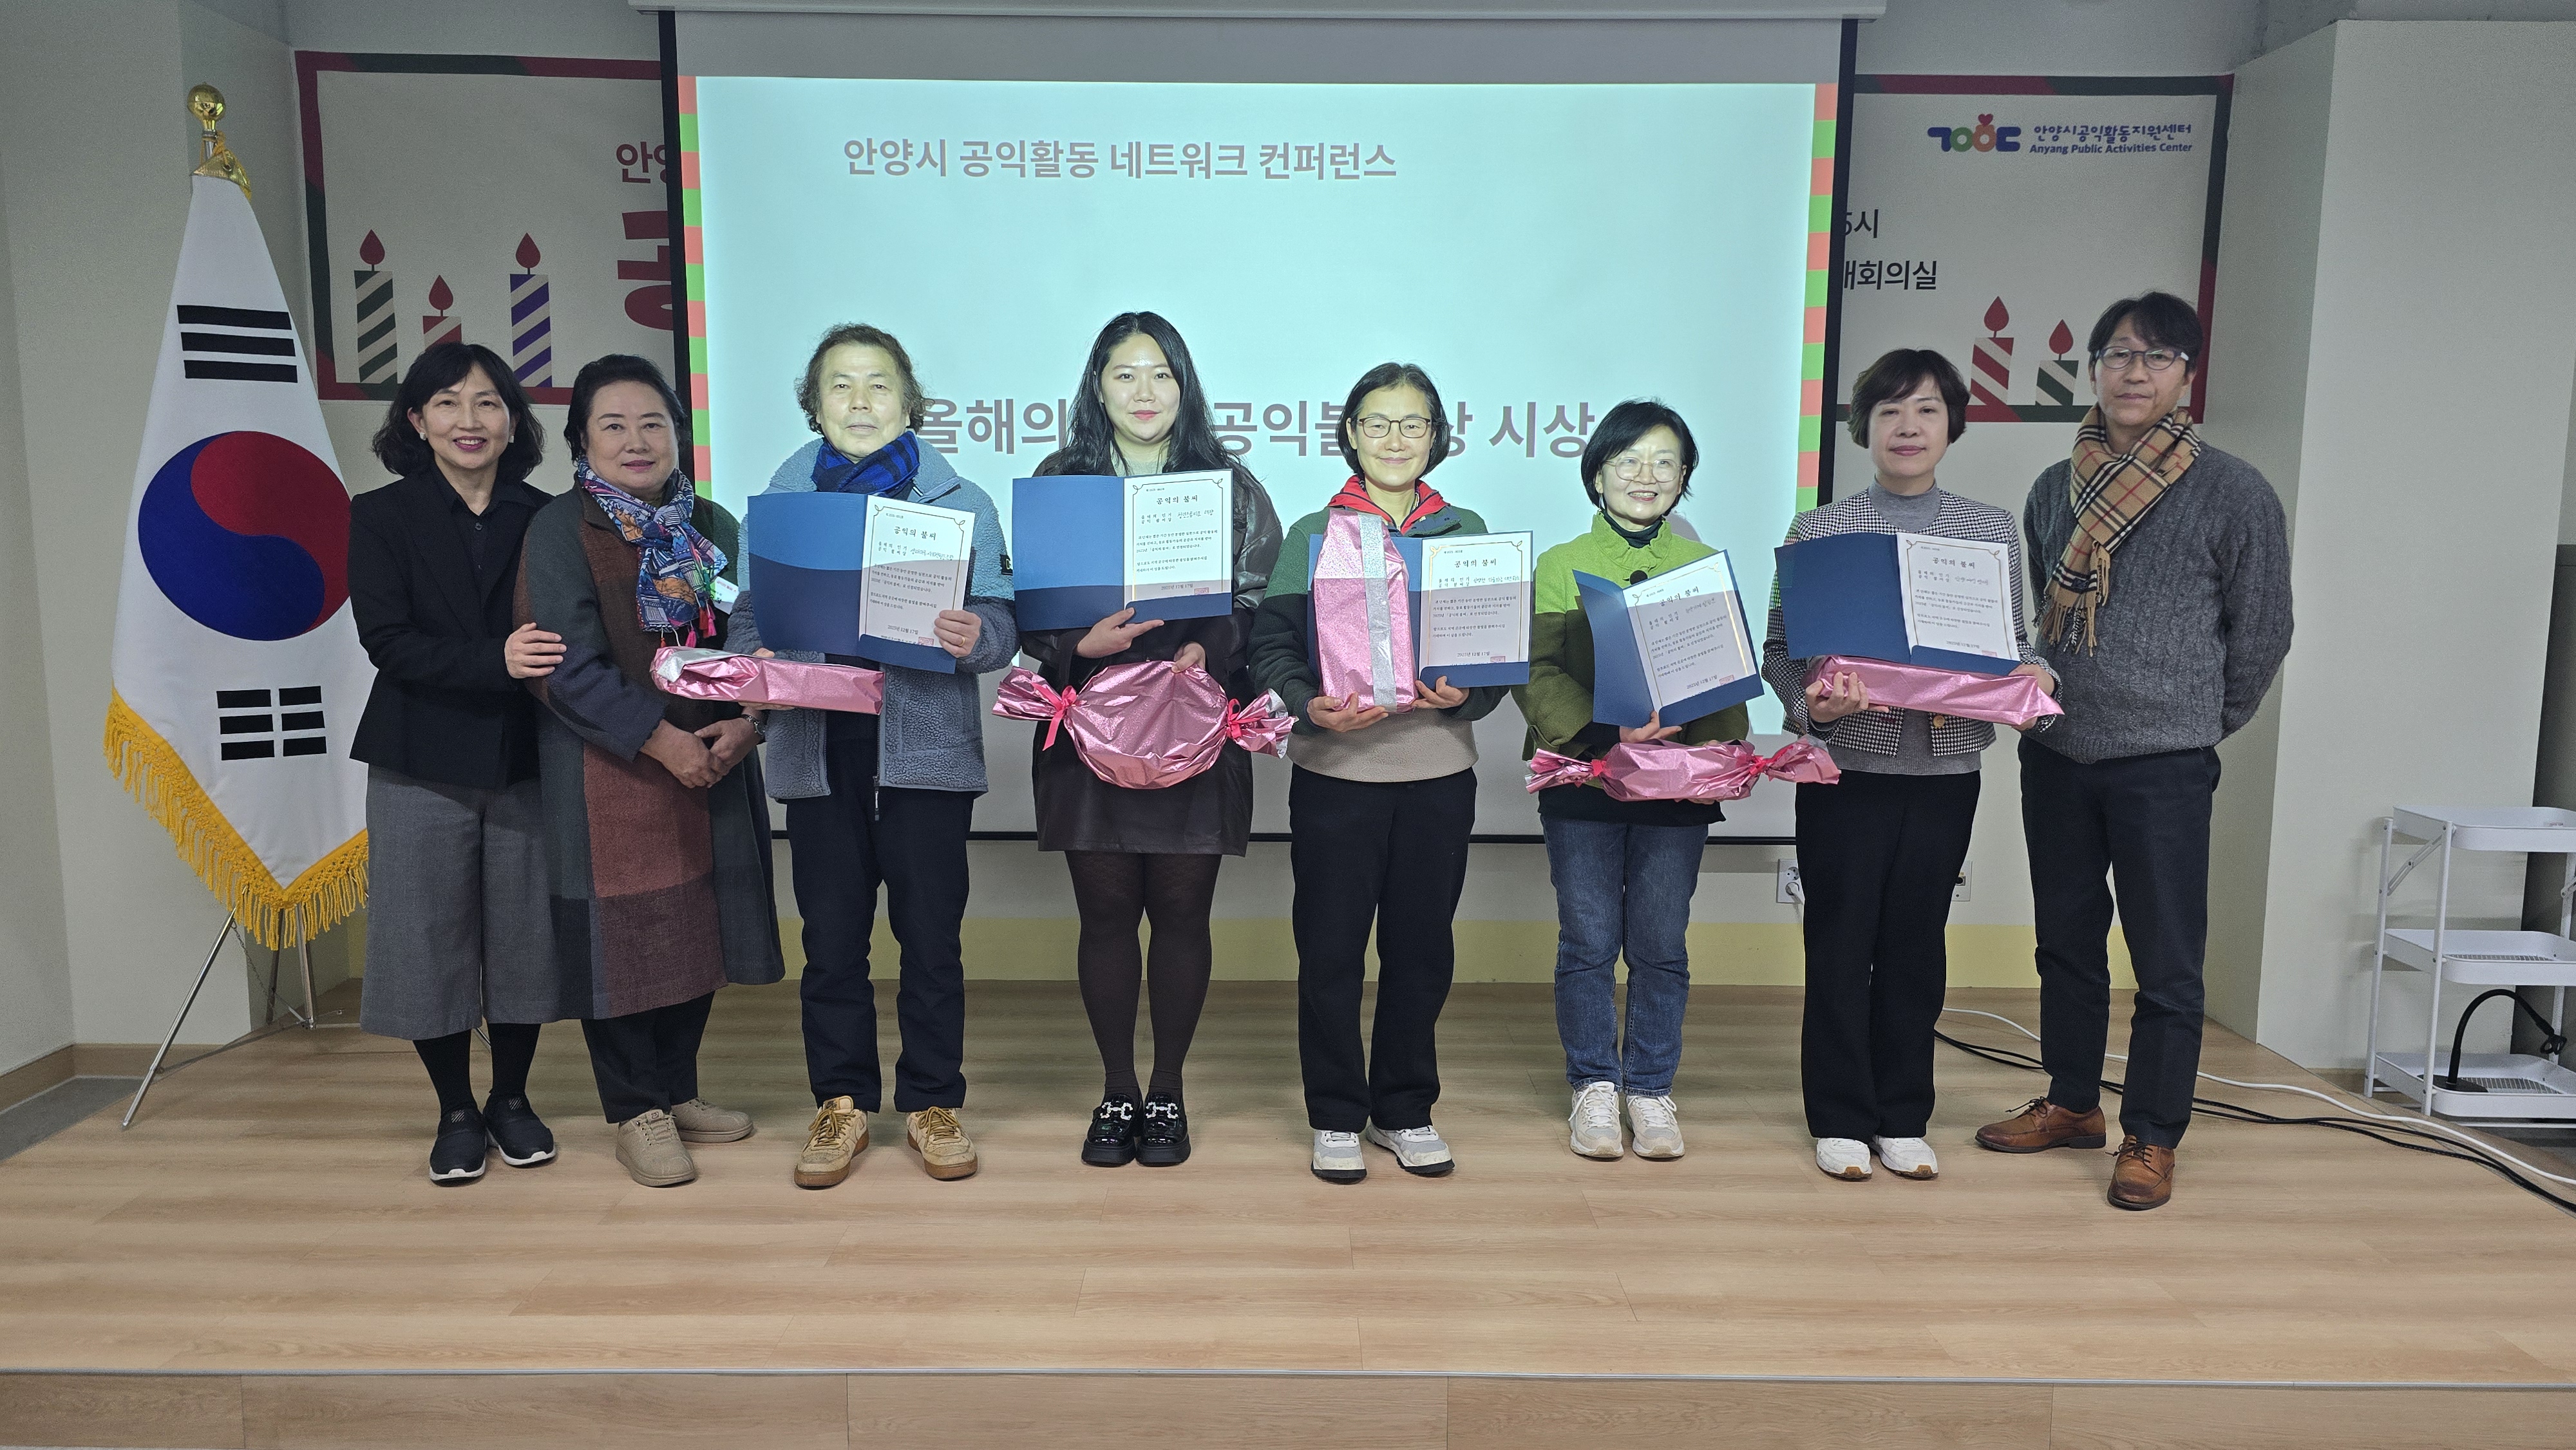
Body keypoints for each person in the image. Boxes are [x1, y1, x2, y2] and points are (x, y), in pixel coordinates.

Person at [1975, 292, 2291, 1211]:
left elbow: (2264, 629)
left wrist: (2195, 721)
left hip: (2165, 763)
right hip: (2059, 751)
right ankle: (2073, 1102)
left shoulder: (2234, 491)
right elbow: (2045, 612)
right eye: (2117, 354)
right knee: (2066, 943)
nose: (2134, 373)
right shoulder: (2053, 487)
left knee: (2167, 959)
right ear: (2095, 369)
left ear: (2188, 375)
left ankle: (2153, 1134)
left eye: (2156, 358)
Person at [727, 323, 1018, 1188]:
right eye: (841, 385)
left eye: (879, 384)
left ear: (909, 401)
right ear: (814, 405)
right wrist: (756, 662)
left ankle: (933, 1100)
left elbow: (1002, 621)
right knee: (832, 939)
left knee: (931, 938)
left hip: (924, 750)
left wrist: (975, 635)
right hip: (817, 750)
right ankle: (841, 1101)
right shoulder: (779, 504)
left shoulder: (963, 502)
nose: (860, 401)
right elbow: (748, 617)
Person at [1760, 349, 2055, 1185]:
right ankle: (1839, 1116)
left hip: (1946, 774)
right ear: (1864, 428)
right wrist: (1812, 710)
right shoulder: (1820, 530)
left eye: (1926, 409)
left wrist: (2034, 675)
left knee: (1916, 947)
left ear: (1951, 424)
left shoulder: (1986, 530)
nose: (1908, 426)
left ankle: (1902, 1114)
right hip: (1846, 774)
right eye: (1889, 410)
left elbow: (2015, 644)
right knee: (1838, 943)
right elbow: (1782, 650)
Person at [515, 353, 782, 1188]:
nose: (636, 440)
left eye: (653, 423)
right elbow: (562, 663)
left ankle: (676, 1089)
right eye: (614, 425)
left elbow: (756, 634)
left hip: (716, 757)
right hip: (612, 767)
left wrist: (749, 724)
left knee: (701, 928)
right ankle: (636, 1109)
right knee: (625, 940)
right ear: (582, 441)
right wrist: (663, 741)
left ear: (679, 432)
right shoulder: (560, 530)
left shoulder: (714, 523)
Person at [1024, 312, 1283, 1169]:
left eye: (1161, 374)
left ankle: (1167, 1090)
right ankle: (1116, 1090)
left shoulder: (1229, 486)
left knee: (1181, 914)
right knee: (1104, 916)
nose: (1145, 391)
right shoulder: (1061, 481)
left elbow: (1261, 603)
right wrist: (1077, 645)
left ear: (1185, 385)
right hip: (1088, 726)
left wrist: (1213, 649)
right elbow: (1028, 609)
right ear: (1097, 386)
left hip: (1193, 725)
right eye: (1125, 373)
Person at [1249, 361, 1508, 1183]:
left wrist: (1468, 694)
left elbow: (1495, 659)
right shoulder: (1313, 532)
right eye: (1377, 422)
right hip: (1337, 772)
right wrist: (1307, 704)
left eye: (1412, 423)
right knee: (1329, 951)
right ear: (1351, 434)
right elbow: (1271, 646)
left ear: (1436, 436)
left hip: (1438, 772)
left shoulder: (1466, 531)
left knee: (1421, 950)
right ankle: (1334, 1111)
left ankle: (1404, 1107)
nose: (1395, 438)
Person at [349, 342, 567, 1185]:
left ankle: (511, 1098)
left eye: (487, 403)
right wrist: (495, 660)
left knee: (524, 940)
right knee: (424, 938)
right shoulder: (380, 514)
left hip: (526, 755)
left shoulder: (547, 517)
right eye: (447, 403)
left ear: (512, 421)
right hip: (418, 754)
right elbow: (387, 641)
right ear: (416, 420)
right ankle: (454, 1109)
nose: (468, 421)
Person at [1515, 400, 1745, 1163]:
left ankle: (1649, 1087)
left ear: (1684, 477)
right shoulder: (1560, 562)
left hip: (1676, 784)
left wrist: (1716, 741)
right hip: (1584, 778)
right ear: (1597, 475)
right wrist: (1606, 732)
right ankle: (1592, 1084)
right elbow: (1538, 671)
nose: (1646, 476)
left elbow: (1723, 680)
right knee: (1587, 941)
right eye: (1628, 461)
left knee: (1660, 944)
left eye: (1664, 462)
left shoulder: (1703, 564)